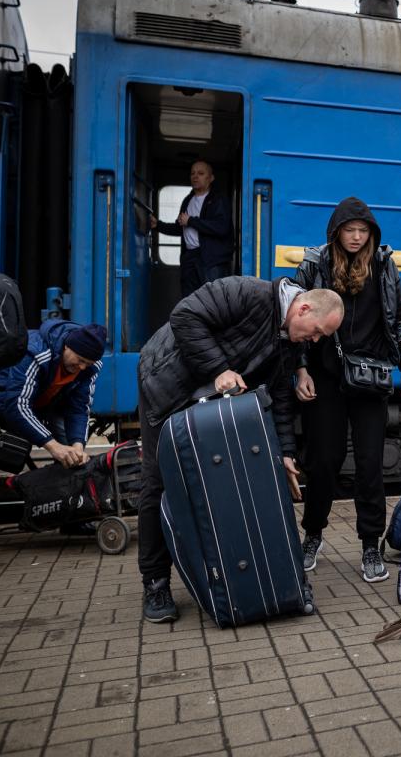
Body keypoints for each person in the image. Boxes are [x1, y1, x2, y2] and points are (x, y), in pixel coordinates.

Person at [135, 277, 343, 622]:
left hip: (210, 406)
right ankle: (155, 583)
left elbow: (279, 397)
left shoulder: (288, 342)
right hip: (168, 388)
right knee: (158, 483)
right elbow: (185, 316)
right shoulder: (248, 293)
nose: (316, 340)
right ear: (303, 308)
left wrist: (286, 452)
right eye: (318, 331)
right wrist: (219, 369)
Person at [293, 197, 401, 584]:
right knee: (323, 462)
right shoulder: (315, 264)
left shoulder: (384, 264)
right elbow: (294, 317)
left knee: (370, 466)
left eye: (363, 231)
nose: (357, 237)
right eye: (350, 230)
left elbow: (398, 318)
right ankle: (312, 535)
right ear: (336, 232)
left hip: (372, 376)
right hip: (326, 376)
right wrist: (299, 368)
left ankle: (369, 544)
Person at [0, 320, 107, 489]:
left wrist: (78, 445)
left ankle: (59, 500)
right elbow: (17, 406)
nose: (81, 367)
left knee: (74, 455)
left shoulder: (89, 368)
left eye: (88, 363)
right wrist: (53, 447)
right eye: (80, 360)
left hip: (38, 402)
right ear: (67, 346)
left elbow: (80, 408)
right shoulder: (36, 352)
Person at [151, 160, 234, 297]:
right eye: (192, 173)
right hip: (189, 258)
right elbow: (180, 229)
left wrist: (191, 221)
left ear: (211, 178)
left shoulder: (219, 199)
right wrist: (158, 225)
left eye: (201, 173)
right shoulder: (187, 200)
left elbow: (221, 227)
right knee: (189, 301)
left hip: (211, 260)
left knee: (213, 301)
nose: (195, 176)